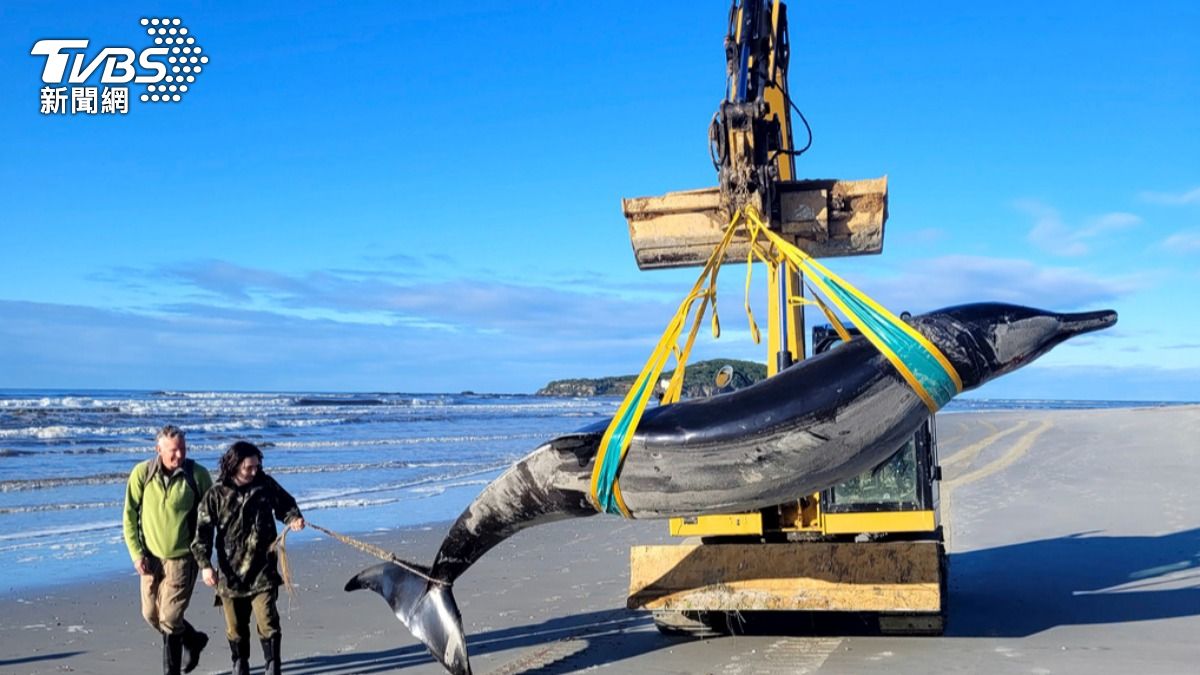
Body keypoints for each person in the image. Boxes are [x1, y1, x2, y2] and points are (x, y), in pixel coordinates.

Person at [192, 440, 305, 675]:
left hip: (263, 569)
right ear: (234, 466)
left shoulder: (264, 485)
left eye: (257, 466)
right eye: (249, 468)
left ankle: (273, 666)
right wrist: (205, 566)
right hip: (230, 574)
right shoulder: (216, 494)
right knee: (235, 626)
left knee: (268, 620)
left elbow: (285, 505)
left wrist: (293, 519)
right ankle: (240, 663)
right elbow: (202, 533)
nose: (255, 471)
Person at [123, 424, 214, 675]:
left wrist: (206, 559)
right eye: (173, 451)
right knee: (151, 614)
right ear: (158, 449)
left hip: (183, 558)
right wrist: (136, 553)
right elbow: (129, 516)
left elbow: (212, 517)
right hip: (150, 559)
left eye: (183, 449)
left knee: (171, 618)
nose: (179, 455)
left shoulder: (198, 475)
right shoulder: (142, 474)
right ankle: (193, 640)